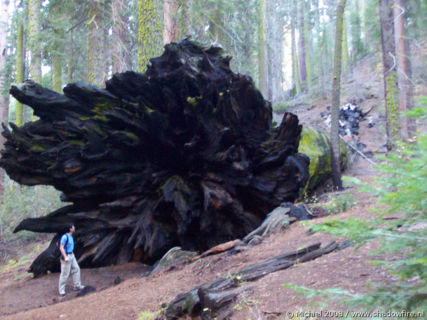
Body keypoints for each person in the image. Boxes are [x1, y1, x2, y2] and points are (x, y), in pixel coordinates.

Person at [58, 223, 84, 296]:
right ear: (70, 229)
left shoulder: (71, 236)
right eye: (73, 227)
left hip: (72, 255)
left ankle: (77, 285)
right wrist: (65, 257)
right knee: (65, 273)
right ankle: (61, 290)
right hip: (66, 256)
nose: (74, 227)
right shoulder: (65, 237)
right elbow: (61, 247)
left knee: (76, 269)